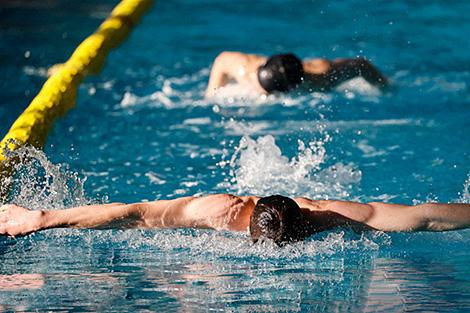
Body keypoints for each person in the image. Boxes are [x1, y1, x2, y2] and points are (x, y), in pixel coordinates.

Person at [1, 194, 469, 245]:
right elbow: (134, 214)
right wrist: (40, 218)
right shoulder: (215, 212)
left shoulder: (332, 215)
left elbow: (424, 218)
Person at [205, 51, 389, 97]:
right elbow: (222, 59)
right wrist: (212, 93)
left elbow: (361, 64)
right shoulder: (245, 69)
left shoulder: (321, 79)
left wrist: (384, 87)